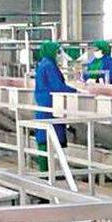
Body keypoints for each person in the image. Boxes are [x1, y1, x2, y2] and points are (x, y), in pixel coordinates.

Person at [32, 40, 77, 172]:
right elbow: (57, 86)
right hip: (51, 104)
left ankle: (46, 171)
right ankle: (47, 172)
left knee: (45, 137)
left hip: (44, 102)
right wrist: (74, 91)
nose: (59, 54)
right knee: (50, 137)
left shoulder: (44, 64)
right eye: (58, 52)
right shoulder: (49, 66)